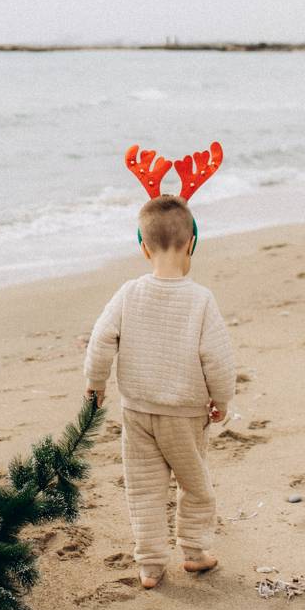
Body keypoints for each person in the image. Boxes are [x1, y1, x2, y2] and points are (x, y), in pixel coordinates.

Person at [83, 193, 236, 589]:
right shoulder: (200, 299)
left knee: (144, 490)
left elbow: (101, 340)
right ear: (191, 243)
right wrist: (221, 399)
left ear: (143, 247)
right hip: (184, 415)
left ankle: (150, 566)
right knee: (195, 486)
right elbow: (217, 358)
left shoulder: (128, 292)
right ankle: (194, 552)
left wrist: (96, 384)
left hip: (137, 411)